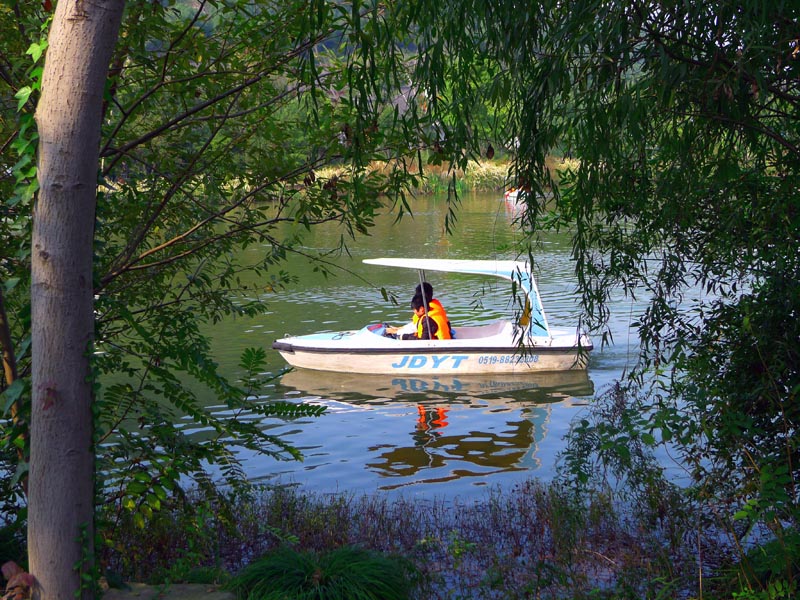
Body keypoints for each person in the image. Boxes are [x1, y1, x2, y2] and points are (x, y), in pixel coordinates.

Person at [386, 281, 453, 339]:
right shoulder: (431, 307)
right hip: (432, 334)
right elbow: (417, 325)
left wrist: (403, 336)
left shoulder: (428, 318)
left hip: (436, 342)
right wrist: (399, 329)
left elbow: (423, 340)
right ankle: (396, 330)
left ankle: (396, 331)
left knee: (397, 334)